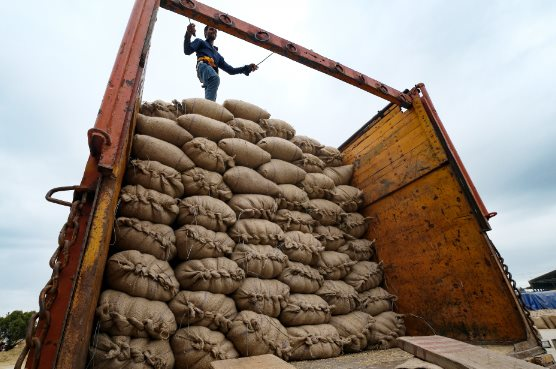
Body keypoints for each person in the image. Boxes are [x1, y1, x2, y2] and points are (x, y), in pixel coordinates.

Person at [184, 23, 258, 101]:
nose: (214, 31)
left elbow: (231, 70)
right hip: (203, 67)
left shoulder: (217, 55)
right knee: (215, 79)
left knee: (212, 93)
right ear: (205, 33)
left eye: (216, 31)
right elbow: (187, 50)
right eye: (211, 29)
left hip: (210, 73)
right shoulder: (200, 42)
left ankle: (208, 109)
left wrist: (246, 68)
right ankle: (210, 107)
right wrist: (188, 34)